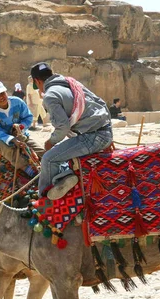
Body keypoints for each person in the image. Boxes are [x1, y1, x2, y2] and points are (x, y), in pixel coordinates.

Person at [30, 62, 113, 200]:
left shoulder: (50, 96)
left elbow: (63, 127)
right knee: (61, 154)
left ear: (37, 81)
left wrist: (50, 142)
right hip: (105, 131)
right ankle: (64, 179)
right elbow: (101, 103)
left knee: (48, 159)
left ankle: (43, 201)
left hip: (92, 137)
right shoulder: (71, 83)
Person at [0, 79, 43, 172]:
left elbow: (28, 117)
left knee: (42, 151)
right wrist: (11, 139)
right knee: (5, 148)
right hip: (1, 139)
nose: (1, 97)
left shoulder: (18, 102)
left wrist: (21, 127)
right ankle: (27, 168)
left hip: (21, 135)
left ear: (6, 91)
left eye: (2, 93)